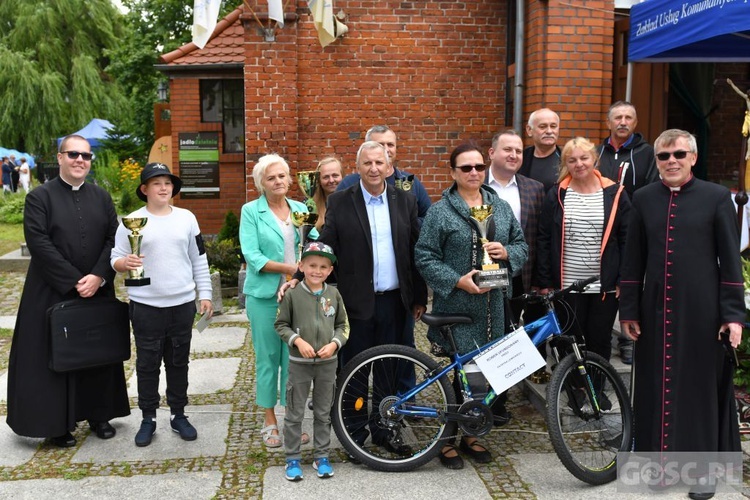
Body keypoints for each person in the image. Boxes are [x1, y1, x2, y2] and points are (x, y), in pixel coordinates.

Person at [619, 129, 744, 499]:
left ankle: (703, 472)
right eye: (663, 156)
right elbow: (633, 259)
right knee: (656, 387)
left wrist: (733, 315)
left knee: (700, 389)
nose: (671, 161)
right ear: (655, 160)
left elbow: (731, 261)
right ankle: (665, 468)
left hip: (702, 311)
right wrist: (629, 308)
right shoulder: (642, 198)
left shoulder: (718, 197)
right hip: (654, 309)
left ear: (692, 157)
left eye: (678, 154)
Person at [295, 141, 427, 458]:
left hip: (396, 302)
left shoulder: (404, 201)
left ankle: (384, 429)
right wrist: (299, 279)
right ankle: (355, 434)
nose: (373, 169)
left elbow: (415, 251)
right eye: (367, 163)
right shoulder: (342, 201)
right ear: (358, 167)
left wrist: (419, 295)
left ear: (388, 165)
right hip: (356, 303)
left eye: (379, 163)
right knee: (355, 370)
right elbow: (326, 244)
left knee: (389, 369)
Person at [6, 135, 129, 447]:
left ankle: (99, 415)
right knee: (51, 356)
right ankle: (57, 424)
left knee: (97, 351)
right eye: (73, 154)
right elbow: (39, 243)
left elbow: (112, 238)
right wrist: (76, 280)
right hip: (51, 289)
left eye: (86, 156)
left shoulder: (101, 197)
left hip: (96, 289)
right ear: (59, 157)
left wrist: (100, 276)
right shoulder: (39, 198)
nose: (80, 160)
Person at [415, 142, 528, 470]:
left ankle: (470, 433)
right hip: (459, 306)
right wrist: (455, 280)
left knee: (485, 374)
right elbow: (424, 255)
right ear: (453, 173)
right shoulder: (440, 211)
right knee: (458, 373)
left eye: (479, 167)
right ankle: (447, 440)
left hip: (494, 306)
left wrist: (506, 253)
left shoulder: (501, 207)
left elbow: (521, 244)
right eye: (466, 168)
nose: (474, 173)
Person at [111, 162, 213, 447]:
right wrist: (124, 262)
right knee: (147, 364)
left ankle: (178, 414)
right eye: (157, 183)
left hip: (181, 304)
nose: (163, 188)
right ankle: (148, 418)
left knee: (179, 361)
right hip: (145, 305)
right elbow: (115, 258)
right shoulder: (131, 222)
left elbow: (199, 259)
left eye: (167, 183)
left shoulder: (187, 218)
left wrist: (204, 294)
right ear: (145, 189)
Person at [240, 154, 316, 449]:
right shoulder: (251, 211)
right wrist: (290, 269)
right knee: (269, 359)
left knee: (294, 361)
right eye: (271, 178)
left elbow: (314, 244)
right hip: (265, 297)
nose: (278, 182)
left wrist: (308, 268)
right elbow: (252, 255)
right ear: (261, 183)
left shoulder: (300, 209)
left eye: (282, 176)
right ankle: (270, 419)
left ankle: (292, 420)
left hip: (298, 296)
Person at [534, 137, 630, 367]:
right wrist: (545, 281)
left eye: (584, 158)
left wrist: (622, 278)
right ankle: (575, 388)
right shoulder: (557, 194)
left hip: (603, 286)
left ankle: (597, 388)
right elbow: (544, 238)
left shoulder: (615, 193)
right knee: (571, 340)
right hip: (567, 285)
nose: (579, 164)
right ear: (565, 164)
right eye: (572, 160)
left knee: (599, 339)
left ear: (594, 159)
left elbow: (627, 239)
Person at [275, 241, 349, 481]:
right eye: (312, 265)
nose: (317, 271)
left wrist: (335, 343)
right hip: (299, 365)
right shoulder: (293, 295)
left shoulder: (334, 294)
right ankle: (293, 459)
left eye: (323, 267)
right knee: (294, 413)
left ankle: (322, 456)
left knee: (323, 412)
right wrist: (298, 341)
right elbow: (281, 325)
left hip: (328, 365)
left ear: (329, 271)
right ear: (302, 266)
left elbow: (343, 325)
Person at [596, 101, 657, 365]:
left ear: (635, 122)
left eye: (628, 117)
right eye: (618, 117)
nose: (623, 122)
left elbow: (654, 187)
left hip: (635, 227)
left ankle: (627, 338)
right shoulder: (597, 152)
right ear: (608, 122)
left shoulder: (648, 153)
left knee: (631, 279)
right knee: (608, 281)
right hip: (602, 229)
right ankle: (604, 335)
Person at [486, 129, 547, 385]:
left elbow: (540, 236)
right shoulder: (476, 185)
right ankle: (490, 398)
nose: (513, 155)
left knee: (518, 333)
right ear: (492, 153)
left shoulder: (534, 189)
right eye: (507, 149)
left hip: (523, 273)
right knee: (493, 334)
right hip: (487, 276)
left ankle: (511, 384)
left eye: (519, 151)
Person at [337, 125, 432, 223]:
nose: (386, 149)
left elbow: (430, 218)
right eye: (380, 145)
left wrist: (407, 227)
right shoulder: (349, 184)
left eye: (390, 145)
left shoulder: (407, 182)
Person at [518, 108, 561, 192]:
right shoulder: (519, 159)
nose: (549, 131)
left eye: (553, 126)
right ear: (529, 130)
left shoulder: (567, 161)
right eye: (543, 126)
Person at [312, 156, 343, 232]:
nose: (331, 180)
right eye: (326, 177)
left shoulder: (353, 201)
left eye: (335, 175)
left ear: (342, 176)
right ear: (319, 180)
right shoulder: (311, 205)